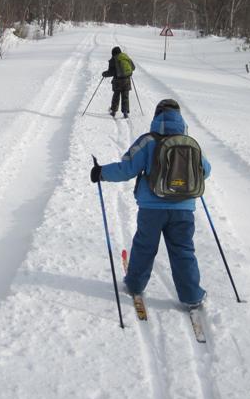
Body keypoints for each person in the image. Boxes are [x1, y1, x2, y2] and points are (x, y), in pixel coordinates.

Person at [90, 99, 211, 308]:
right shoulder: (189, 142)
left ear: (157, 116)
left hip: (151, 209)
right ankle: (192, 296)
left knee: (144, 247)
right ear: (180, 117)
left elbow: (127, 169)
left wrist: (101, 172)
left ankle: (135, 284)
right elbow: (205, 171)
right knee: (183, 250)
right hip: (183, 209)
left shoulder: (147, 141)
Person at [101, 46, 135, 118]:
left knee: (116, 96)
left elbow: (111, 72)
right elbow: (133, 67)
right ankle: (125, 113)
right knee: (125, 97)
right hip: (127, 81)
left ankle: (113, 112)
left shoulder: (113, 60)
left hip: (117, 82)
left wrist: (104, 74)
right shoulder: (126, 57)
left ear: (113, 53)